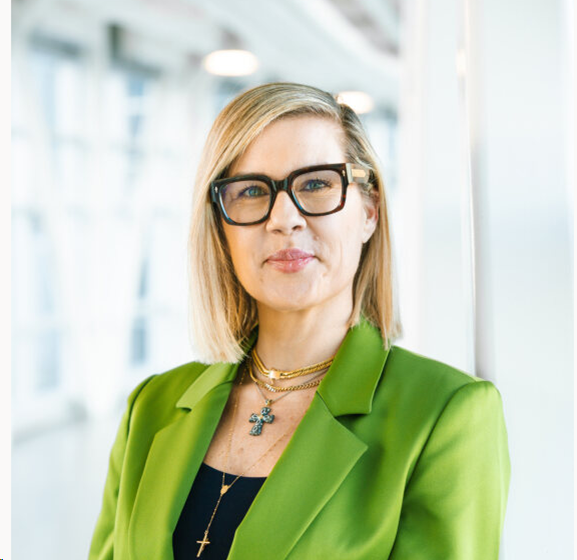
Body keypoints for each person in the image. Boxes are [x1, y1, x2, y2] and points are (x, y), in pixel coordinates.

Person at [89, 82, 510, 560]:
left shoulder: (446, 416)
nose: (283, 219)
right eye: (251, 191)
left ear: (369, 211)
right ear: (221, 227)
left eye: (315, 184)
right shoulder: (151, 407)